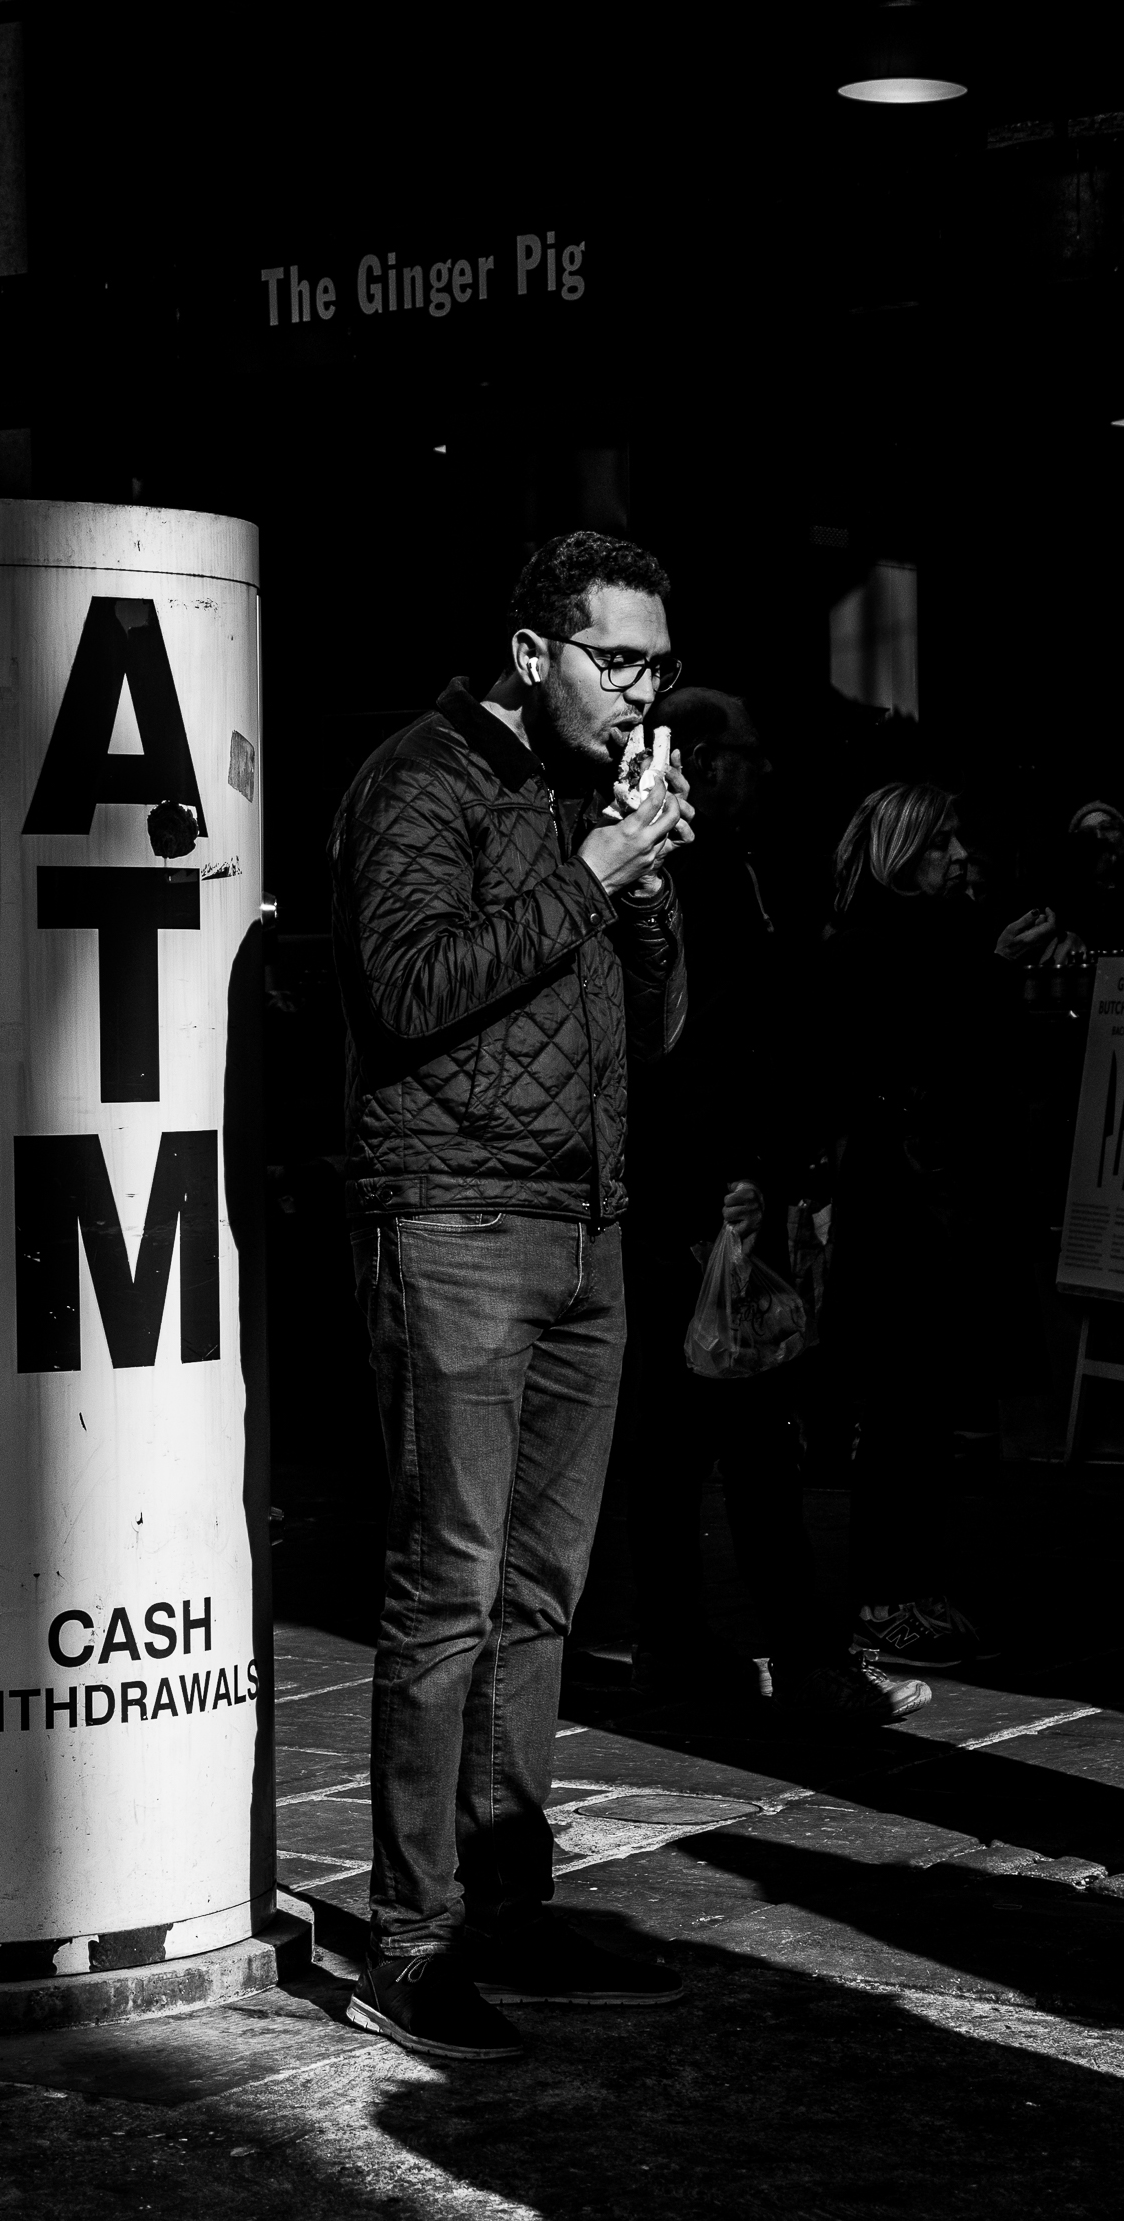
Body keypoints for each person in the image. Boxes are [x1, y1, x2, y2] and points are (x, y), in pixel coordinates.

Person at [330, 529, 691, 2061]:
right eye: (617, 660)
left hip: (584, 1224)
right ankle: (411, 1943)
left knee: (541, 1602)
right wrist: (594, 873)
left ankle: (506, 1907)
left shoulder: (577, 797)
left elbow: (658, 1029)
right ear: (535, 653)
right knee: (447, 1599)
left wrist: (647, 878)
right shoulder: (425, 779)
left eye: (659, 665)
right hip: (459, 1222)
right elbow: (404, 990)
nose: (642, 690)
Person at [619, 690, 929, 1726]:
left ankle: (683, 1647)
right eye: (748, 755)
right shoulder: (687, 876)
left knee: (687, 1439)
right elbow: (689, 1043)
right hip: (706, 1193)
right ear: (703, 761)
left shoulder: (732, 869)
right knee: (747, 1437)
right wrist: (733, 1176)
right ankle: (801, 1658)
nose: (765, 773)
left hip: (709, 1186)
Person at [822, 781, 1008, 1672]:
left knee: (919, 1405)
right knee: (904, 1404)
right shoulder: (887, 946)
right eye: (943, 844)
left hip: (911, 1197)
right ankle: (887, 1596)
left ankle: (906, 1587)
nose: (962, 858)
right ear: (906, 852)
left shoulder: (904, 939)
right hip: (904, 1206)